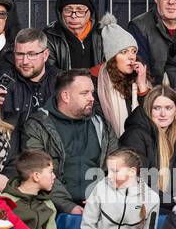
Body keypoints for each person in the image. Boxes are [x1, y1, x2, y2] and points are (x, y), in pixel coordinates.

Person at [22, 69, 119, 215]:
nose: (91, 98)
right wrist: (68, 206)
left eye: (91, 93)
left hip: (100, 208)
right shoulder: (38, 125)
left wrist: (100, 198)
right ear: (65, 96)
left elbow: (116, 168)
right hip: (53, 211)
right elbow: (37, 172)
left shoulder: (102, 125)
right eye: (84, 93)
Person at [72, 147, 159, 229]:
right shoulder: (100, 188)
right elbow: (87, 228)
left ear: (131, 172)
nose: (109, 176)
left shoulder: (152, 198)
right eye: (109, 170)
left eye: (115, 171)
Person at [118, 85, 176, 206]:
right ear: (148, 110)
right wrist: (172, 203)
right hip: (143, 206)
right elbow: (138, 180)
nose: (163, 114)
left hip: (173, 205)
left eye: (168, 108)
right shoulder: (135, 136)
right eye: (157, 108)